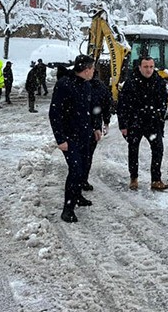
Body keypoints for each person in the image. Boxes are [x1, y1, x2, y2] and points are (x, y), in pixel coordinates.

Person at [49, 55, 101, 223]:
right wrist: (60, 139)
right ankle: (67, 210)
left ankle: (78, 196)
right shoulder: (64, 85)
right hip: (69, 138)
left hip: (85, 136)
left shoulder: (86, 85)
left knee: (83, 168)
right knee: (76, 170)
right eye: (92, 69)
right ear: (86, 70)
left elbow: (92, 108)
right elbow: (54, 113)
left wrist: (96, 127)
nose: (94, 72)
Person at [117, 56, 168, 191]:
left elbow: (164, 101)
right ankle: (133, 177)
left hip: (152, 123)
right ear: (140, 67)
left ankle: (156, 180)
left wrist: (160, 116)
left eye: (151, 67)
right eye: (146, 67)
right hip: (135, 123)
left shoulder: (159, 82)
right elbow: (122, 105)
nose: (149, 70)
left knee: (158, 149)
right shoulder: (131, 83)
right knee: (133, 150)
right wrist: (123, 125)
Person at [82, 71, 113, 191]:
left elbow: (106, 105)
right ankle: (82, 180)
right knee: (87, 155)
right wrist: (105, 122)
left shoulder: (75, 85)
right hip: (92, 126)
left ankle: (80, 180)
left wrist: (105, 122)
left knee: (82, 155)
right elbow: (106, 105)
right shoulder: (99, 86)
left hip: (85, 126)